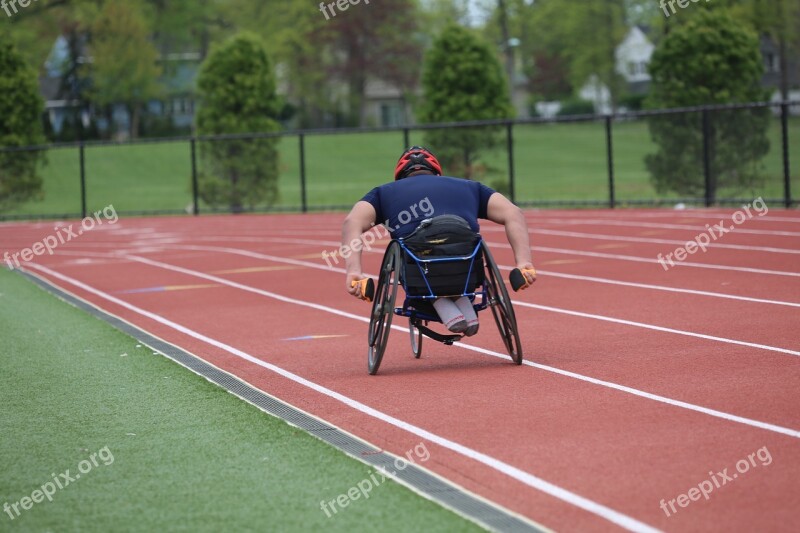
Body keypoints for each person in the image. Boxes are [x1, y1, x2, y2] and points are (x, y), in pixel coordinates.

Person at [342, 146, 536, 335]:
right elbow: (513, 213)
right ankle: (461, 301)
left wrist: (354, 272)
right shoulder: (470, 186)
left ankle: (440, 303)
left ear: (400, 177)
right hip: (466, 269)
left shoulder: (384, 192)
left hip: (419, 271)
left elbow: (352, 221)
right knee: (459, 246)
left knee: (410, 249)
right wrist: (523, 262)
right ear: (437, 173)